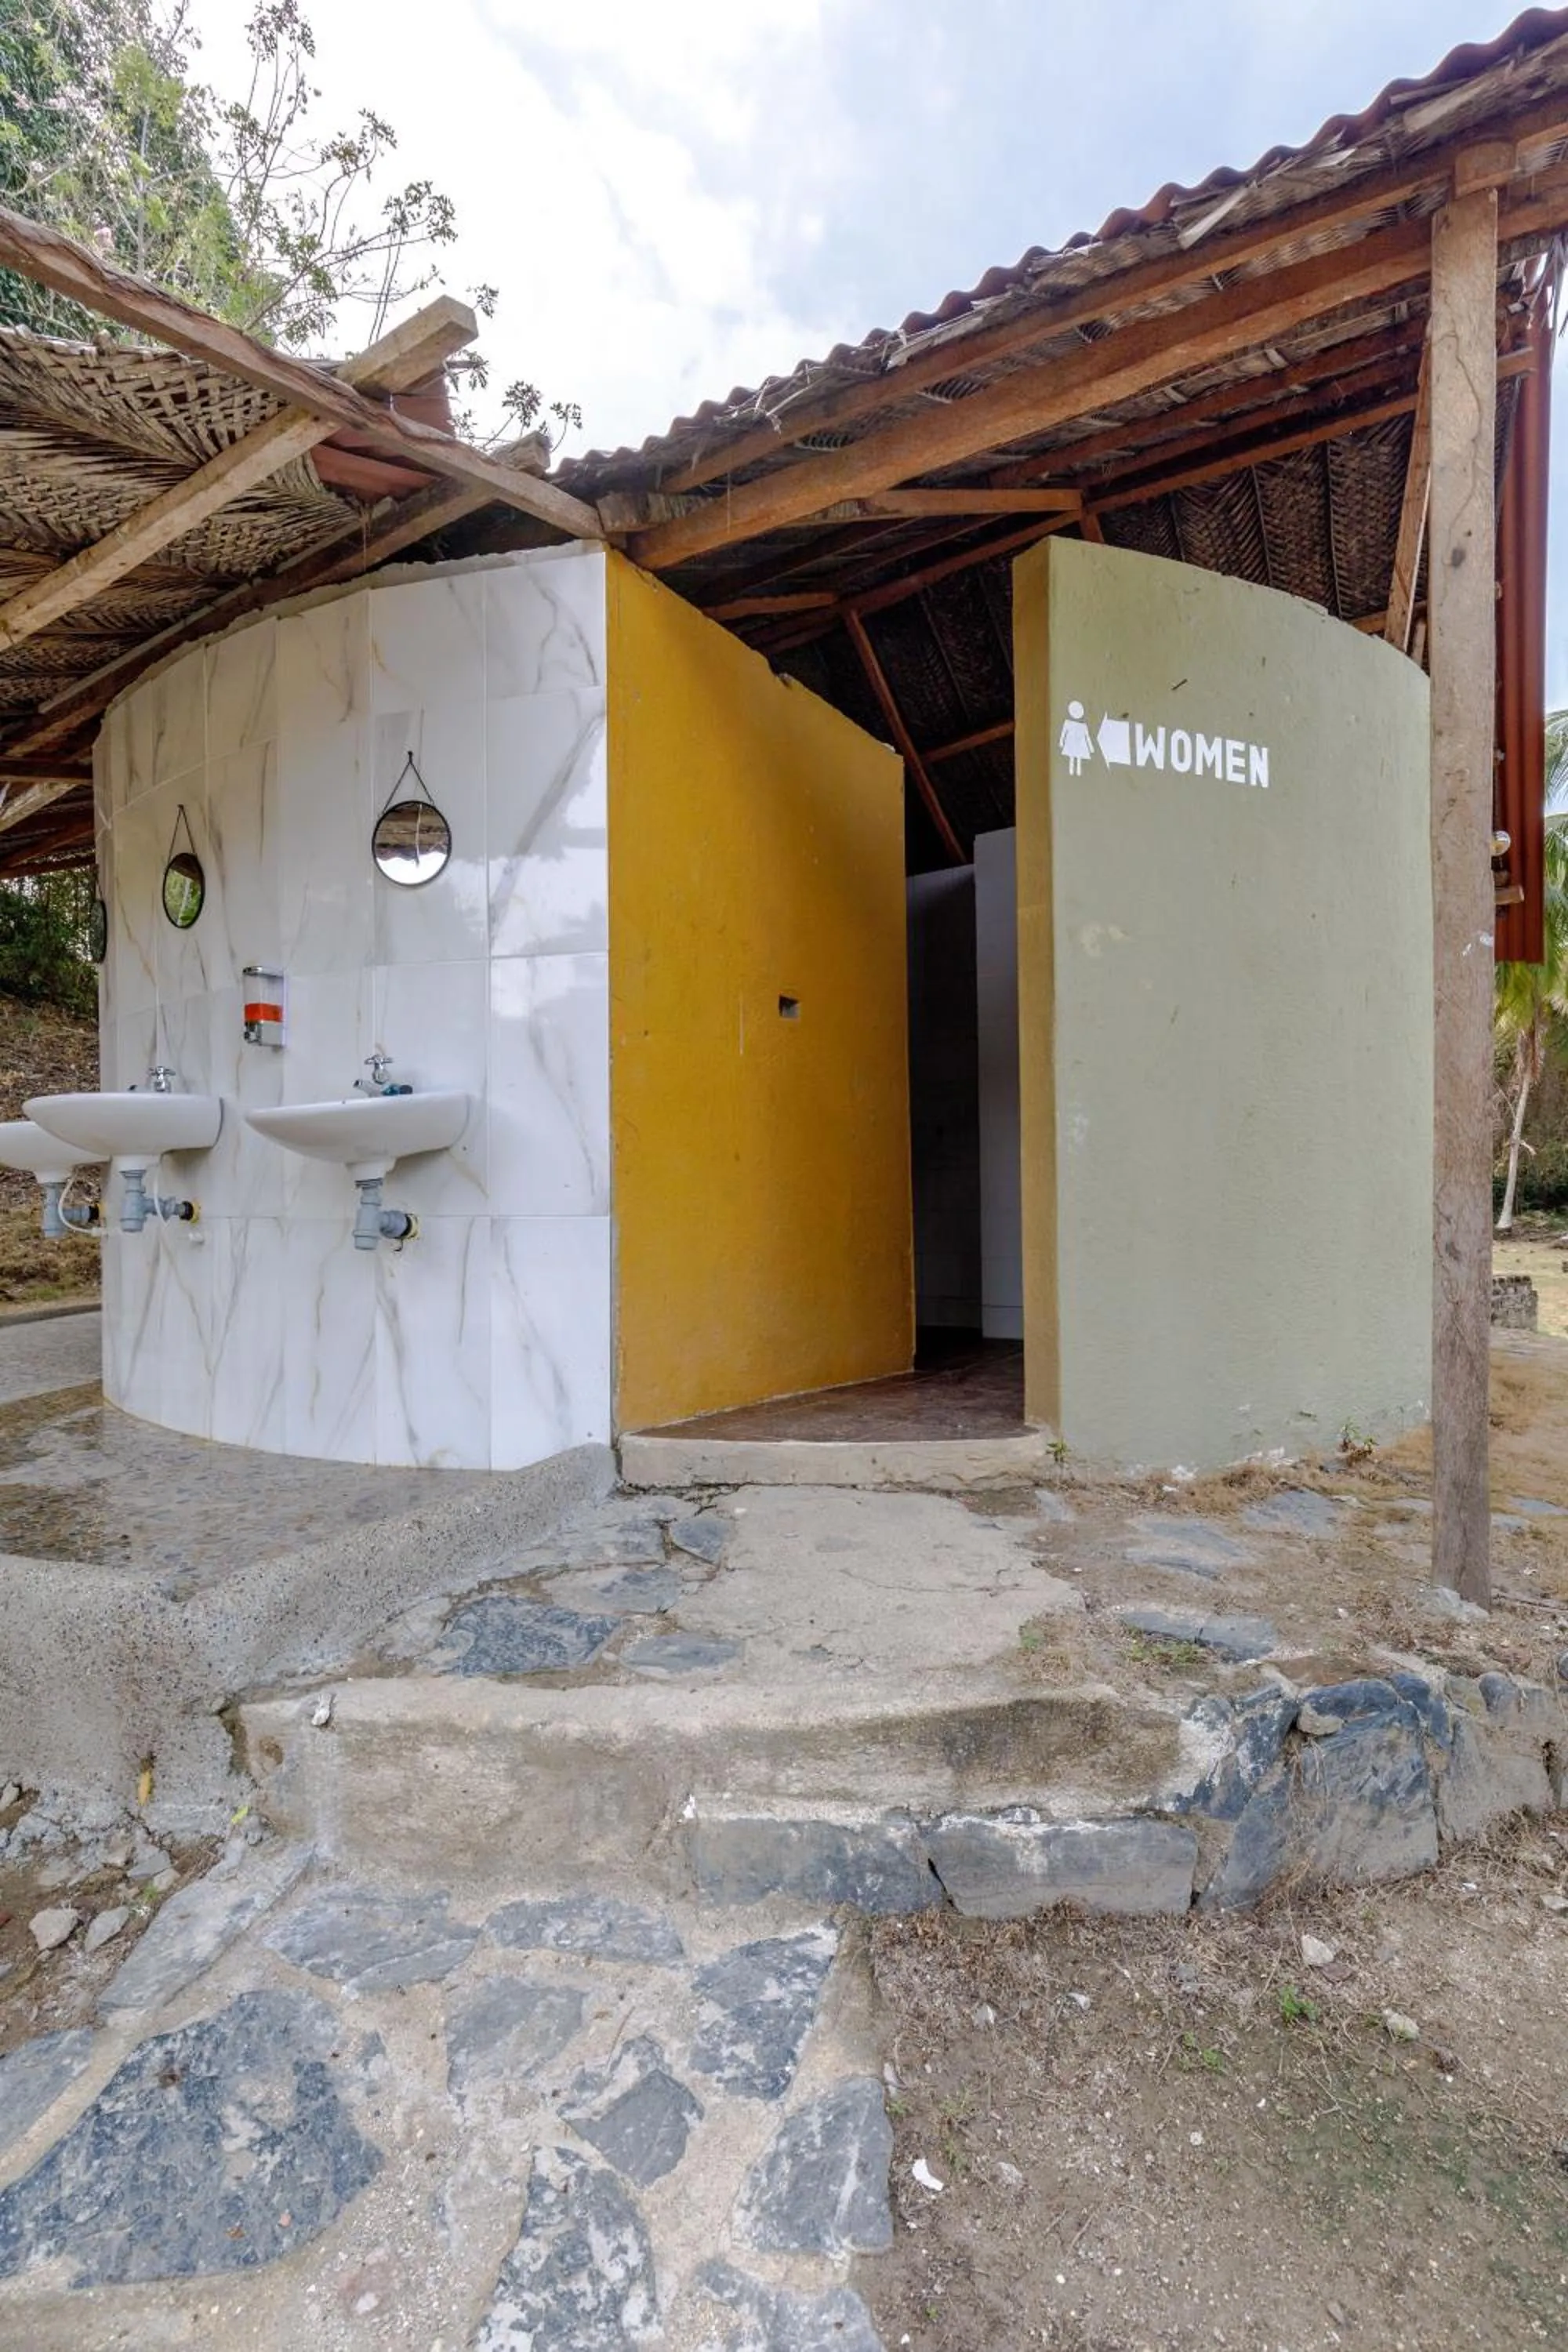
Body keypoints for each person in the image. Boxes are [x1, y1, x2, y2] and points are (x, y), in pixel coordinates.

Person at [1058, 699, 1094, 775]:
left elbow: (1087, 736)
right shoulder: (1068, 723)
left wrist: (1091, 747)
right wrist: (1061, 741)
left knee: (1078, 758)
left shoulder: (1083, 726)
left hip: (1079, 744)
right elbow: (1064, 733)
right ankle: (1072, 772)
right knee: (1073, 757)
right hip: (1073, 743)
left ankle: (1078, 772)